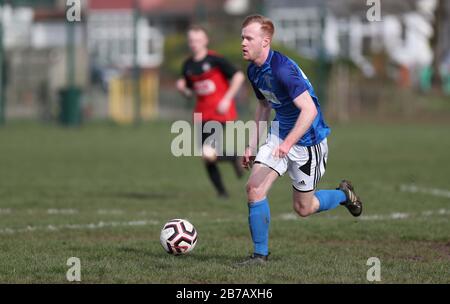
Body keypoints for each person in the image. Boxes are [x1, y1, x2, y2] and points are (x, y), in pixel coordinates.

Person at [238, 15, 363, 265]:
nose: (243, 42)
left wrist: (288, 143)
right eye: (242, 37)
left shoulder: (282, 70)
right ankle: (259, 255)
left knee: (304, 209)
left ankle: (343, 195)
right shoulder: (254, 70)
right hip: (280, 133)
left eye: (248, 38)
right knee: (254, 188)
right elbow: (263, 106)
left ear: (265, 41)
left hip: (308, 141)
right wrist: (252, 144)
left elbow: (309, 111)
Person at [176, 25, 246, 198]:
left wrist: (227, 98)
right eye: (191, 40)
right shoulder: (187, 66)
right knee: (206, 156)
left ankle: (235, 157)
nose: (194, 44)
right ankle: (222, 191)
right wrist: (183, 90)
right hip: (200, 114)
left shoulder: (215, 60)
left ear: (205, 40)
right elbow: (192, 92)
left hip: (219, 111)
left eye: (198, 40)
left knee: (208, 152)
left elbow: (238, 76)